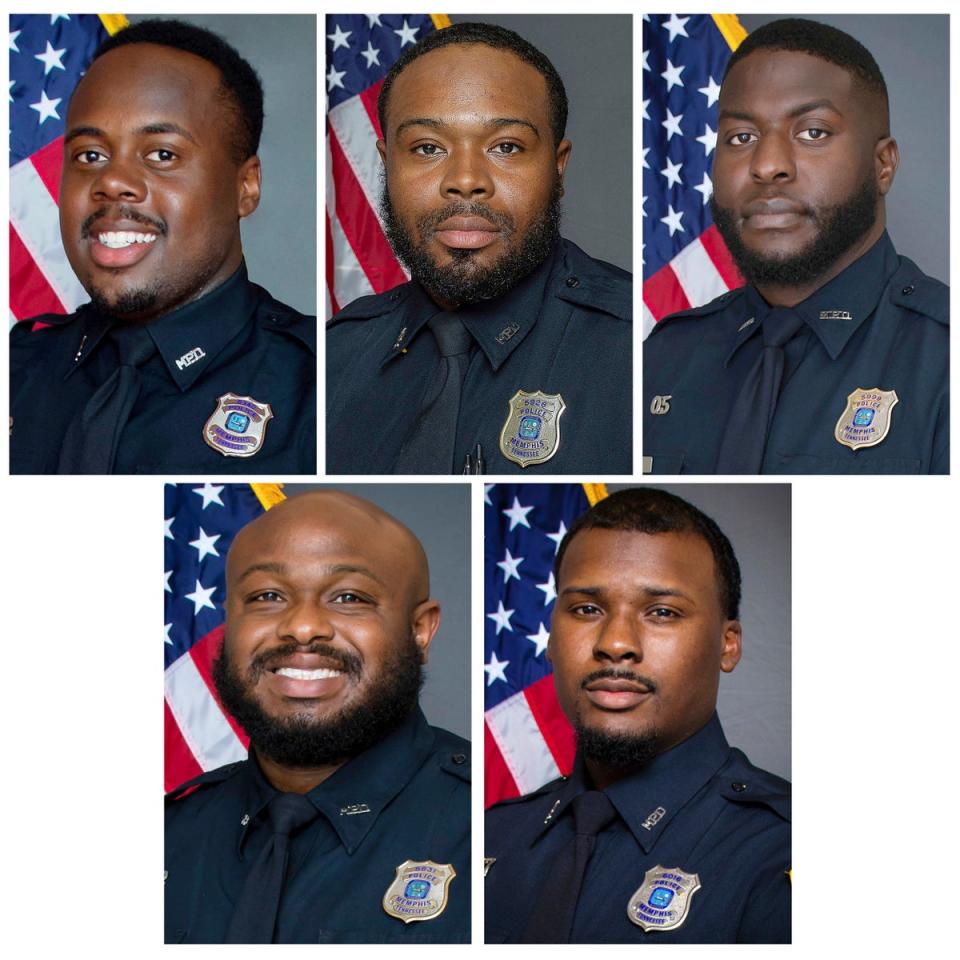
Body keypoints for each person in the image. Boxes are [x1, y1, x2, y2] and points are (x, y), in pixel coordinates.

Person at [10, 19, 316, 474]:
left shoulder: (320, 385)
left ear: (245, 186)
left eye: (162, 154)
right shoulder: (16, 368)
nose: (111, 181)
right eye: (89, 155)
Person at [485, 487, 790, 943]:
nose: (616, 642)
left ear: (728, 644)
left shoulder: (782, 849)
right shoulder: (491, 836)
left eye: (662, 612)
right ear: (550, 637)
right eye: (586, 609)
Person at [643, 18, 948, 474]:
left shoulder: (944, 357)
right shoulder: (663, 357)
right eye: (741, 138)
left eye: (813, 132)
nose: (767, 165)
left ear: (883, 165)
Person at [327, 21, 631, 474]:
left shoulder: (638, 346)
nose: (465, 180)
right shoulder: (336, 355)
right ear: (386, 166)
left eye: (505, 146)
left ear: (558, 168)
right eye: (428, 148)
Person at [165, 491, 470, 943]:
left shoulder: (486, 825)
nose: (303, 626)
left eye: (348, 597)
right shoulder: (168, 831)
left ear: (419, 630)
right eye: (267, 595)